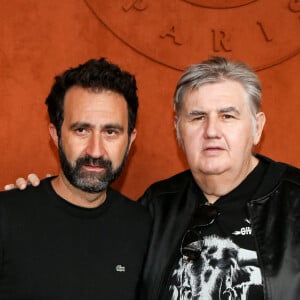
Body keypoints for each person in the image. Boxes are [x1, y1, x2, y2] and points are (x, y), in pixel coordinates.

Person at [7, 56, 300, 300]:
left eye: (228, 116)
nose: (211, 131)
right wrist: (34, 200)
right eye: (197, 117)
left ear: (257, 127)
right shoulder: (156, 207)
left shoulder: (294, 201)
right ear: (178, 130)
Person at [0, 58, 151, 299]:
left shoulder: (143, 226)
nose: (95, 151)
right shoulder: (6, 216)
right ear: (56, 135)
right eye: (81, 130)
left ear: (130, 140)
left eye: (111, 132)